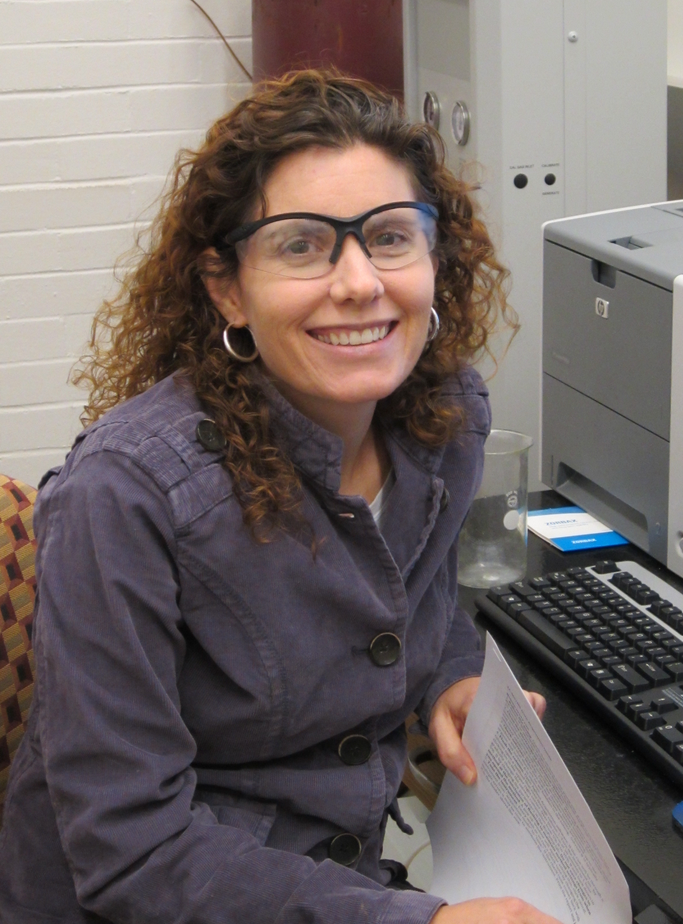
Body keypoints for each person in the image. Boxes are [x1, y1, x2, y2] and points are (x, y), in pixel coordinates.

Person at [0, 70, 557, 924]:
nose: (360, 282)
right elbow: (129, 852)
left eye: (390, 237)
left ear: (434, 258)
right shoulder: (126, 498)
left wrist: (452, 677)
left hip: (341, 884)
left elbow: (423, 596)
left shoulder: (444, 420)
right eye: (302, 245)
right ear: (227, 286)